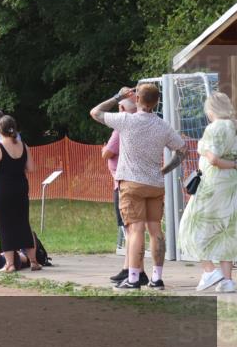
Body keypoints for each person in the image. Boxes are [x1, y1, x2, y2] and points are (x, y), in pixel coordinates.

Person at [90, 83, 187, 290]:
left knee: (135, 230)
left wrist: (118, 96)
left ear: (137, 100)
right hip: (155, 183)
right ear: (157, 102)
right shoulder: (163, 126)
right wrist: (165, 170)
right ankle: (157, 278)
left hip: (131, 183)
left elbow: (95, 112)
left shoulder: (126, 121)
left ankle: (133, 278)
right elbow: (182, 150)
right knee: (155, 230)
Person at [178, 92, 237, 293]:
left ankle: (209, 270)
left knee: (189, 227)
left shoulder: (214, 128)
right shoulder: (234, 126)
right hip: (230, 186)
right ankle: (228, 281)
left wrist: (202, 149)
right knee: (225, 230)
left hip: (212, 184)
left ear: (211, 110)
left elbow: (213, 159)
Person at [0, 115, 41, 272]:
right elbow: (31, 168)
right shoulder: (24, 145)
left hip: (2, 190)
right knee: (23, 224)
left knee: (5, 226)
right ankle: (34, 261)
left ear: (0, 129)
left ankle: (9, 264)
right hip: (21, 188)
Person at [102, 97, 148, 285]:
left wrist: (104, 148)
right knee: (135, 229)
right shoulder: (143, 126)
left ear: (121, 108)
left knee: (130, 230)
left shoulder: (121, 128)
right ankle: (128, 267)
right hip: (141, 181)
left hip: (123, 184)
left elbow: (108, 153)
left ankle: (135, 271)